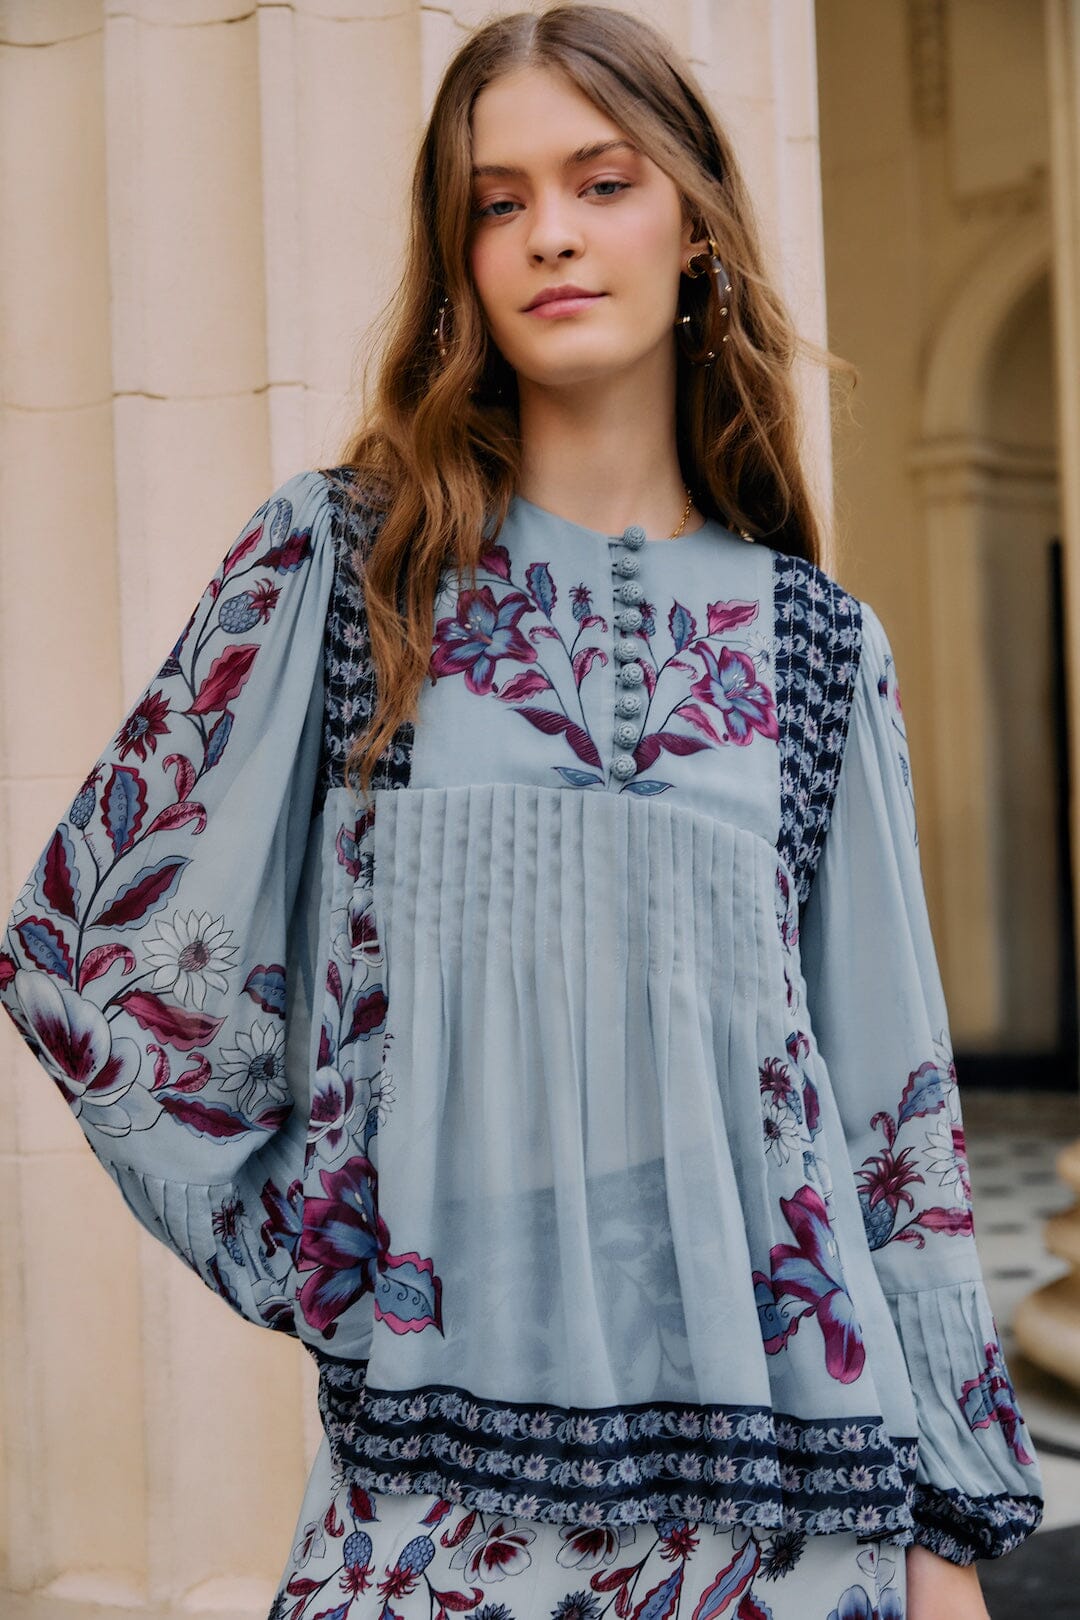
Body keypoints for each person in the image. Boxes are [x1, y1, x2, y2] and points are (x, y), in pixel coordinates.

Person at [0, 7, 1044, 1618]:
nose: (550, 231)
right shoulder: (351, 574)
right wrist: (326, 1256)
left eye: (602, 182)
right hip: (434, 1521)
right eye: (498, 202)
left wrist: (947, 1537)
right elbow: (92, 956)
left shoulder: (817, 648)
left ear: (694, 229)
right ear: (462, 257)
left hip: (791, 1519)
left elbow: (891, 1122)